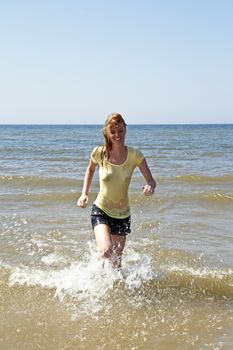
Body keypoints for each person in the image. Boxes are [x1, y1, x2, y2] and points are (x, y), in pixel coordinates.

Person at [77, 113, 156, 269]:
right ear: (107, 132)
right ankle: (91, 278)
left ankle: (115, 289)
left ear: (125, 130)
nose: (117, 134)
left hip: (122, 214)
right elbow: (90, 170)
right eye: (112, 131)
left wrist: (150, 187)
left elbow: (151, 180)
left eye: (120, 130)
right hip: (101, 209)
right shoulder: (99, 153)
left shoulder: (135, 155)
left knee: (116, 263)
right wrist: (84, 193)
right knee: (106, 250)